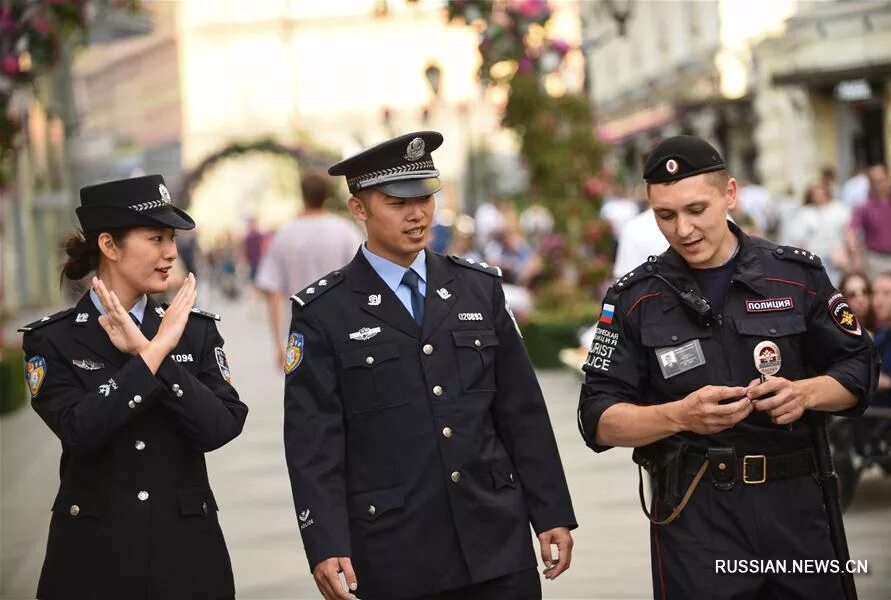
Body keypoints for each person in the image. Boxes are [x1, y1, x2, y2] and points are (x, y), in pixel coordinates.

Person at [577, 136, 878, 599]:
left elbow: (860, 365)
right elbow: (596, 418)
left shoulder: (795, 276)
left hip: (796, 504)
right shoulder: (634, 298)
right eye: (665, 215)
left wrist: (806, 393)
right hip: (696, 515)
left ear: (730, 194)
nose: (683, 229)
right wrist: (679, 416)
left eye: (696, 209)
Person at [283, 131, 576, 600]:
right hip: (397, 553)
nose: (417, 213)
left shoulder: (478, 289)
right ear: (359, 208)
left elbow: (522, 412)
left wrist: (551, 511)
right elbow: (312, 441)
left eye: (424, 196)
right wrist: (324, 541)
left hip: (495, 540)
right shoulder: (324, 313)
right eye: (398, 201)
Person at [19, 175, 248, 600]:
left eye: (172, 239)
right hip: (93, 557)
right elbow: (79, 430)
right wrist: (153, 354)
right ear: (109, 246)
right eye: (156, 238)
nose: (170, 253)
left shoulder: (192, 331)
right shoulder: (53, 340)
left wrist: (154, 350)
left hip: (188, 556)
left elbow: (220, 426)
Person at [255, 171, 364, 369]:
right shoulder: (345, 231)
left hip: (300, 333)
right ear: (328, 195)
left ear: (302, 194)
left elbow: (273, 292)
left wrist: (278, 344)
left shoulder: (284, 235)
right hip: (343, 328)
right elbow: (363, 280)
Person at [783, 181, 851, 283]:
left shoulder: (840, 209)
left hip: (837, 257)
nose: (818, 196)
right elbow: (799, 240)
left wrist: (847, 254)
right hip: (814, 259)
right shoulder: (804, 213)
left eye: (821, 193)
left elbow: (849, 234)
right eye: (815, 194)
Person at [846, 164, 891, 278]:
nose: (881, 184)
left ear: (889, 178)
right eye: (876, 181)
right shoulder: (864, 207)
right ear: (871, 184)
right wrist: (855, 255)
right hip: (875, 259)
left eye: (882, 179)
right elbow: (851, 230)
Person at [871, 272, 891, 408]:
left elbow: (887, 381)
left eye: (887, 293)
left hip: (890, 421)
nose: (878, 300)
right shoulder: (881, 334)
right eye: (875, 293)